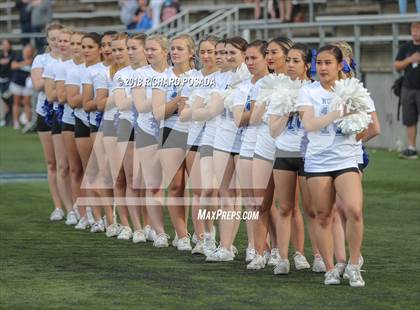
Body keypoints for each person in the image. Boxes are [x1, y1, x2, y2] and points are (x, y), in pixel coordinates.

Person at [297, 44, 368, 287]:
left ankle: (354, 265)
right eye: (319, 63)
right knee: (323, 216)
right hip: (317, 160)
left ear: (340, 66)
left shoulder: (351, 90)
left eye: (328, 63)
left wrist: (354, 123)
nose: (323, 68)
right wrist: (336, 114)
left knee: (354, 210)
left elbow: (366, 123)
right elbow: (308, 124)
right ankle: (330, 268)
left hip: (346, 159)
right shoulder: (308, 92)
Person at [394, 22, 420, 159]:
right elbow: (397, 65)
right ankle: (411, 148)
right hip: (408, 87)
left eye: (418, 29)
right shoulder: (406, 47)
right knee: (410, 119)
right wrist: (410, 59)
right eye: (413, 29)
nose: (415, 32)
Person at [10, 44, 35, 130]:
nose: (27, 52)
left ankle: (28, 122)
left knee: (27, 103)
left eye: (29, 51)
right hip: (16, 83)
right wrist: (24, 63)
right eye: (26, 50)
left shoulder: (34, 60)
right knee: (16, 103)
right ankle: (16, 122)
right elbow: (13, 66)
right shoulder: (18, 56)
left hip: (27, 85)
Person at [1, 40, 17, 127]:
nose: (5, 46)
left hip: (10, 80)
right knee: (4, 99)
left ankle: (10, 119)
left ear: (10, 45)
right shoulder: (1, 54)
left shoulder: (14, 55)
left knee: (10, 100)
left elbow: (13, 66)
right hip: (2, 81)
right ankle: (6, 119)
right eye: (3, 45)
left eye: (6, 44)